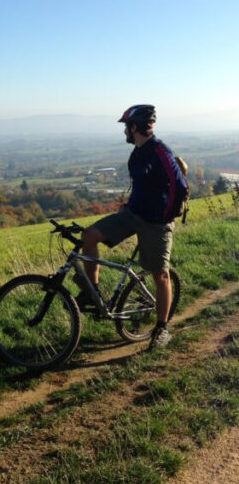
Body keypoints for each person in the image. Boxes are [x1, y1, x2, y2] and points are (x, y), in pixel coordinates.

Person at [78, 104, 186, 350]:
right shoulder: (136, 154)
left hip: (156, 223)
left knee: (161, 275)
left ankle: (161, 329)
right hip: (132, 214)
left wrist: (164, 216)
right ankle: (92, 293)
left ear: (134, 127)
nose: (124, 131)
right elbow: (142, 187)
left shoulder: (160, 151)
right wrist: (128, 206)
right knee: (89, 236)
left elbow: (179, 187)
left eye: (126, 126)